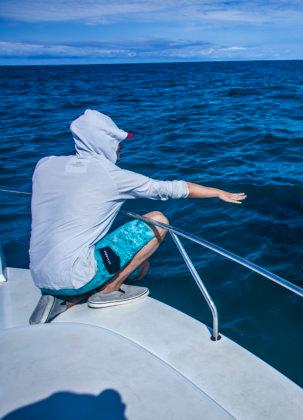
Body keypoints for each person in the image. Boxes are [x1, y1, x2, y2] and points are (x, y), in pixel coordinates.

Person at [29, 109, 246, 324]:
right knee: (158, 222)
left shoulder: (44, 165)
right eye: (116, 140)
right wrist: (218, 192)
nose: (120, 146)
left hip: (39, 276)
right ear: (102, 142)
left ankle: (66, 298)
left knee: (137, 266)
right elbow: (170, 189)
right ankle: (107, 292)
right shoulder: (113, 176)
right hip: (74, 276)